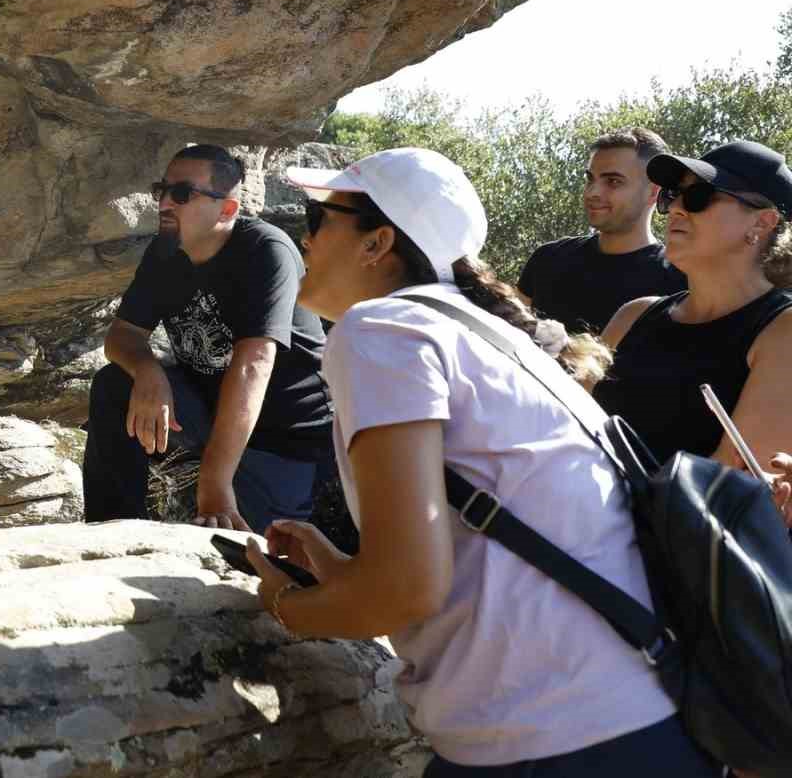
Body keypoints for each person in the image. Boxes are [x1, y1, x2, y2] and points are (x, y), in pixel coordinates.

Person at [243, 146, 718, 776]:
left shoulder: (384, 330)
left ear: (376, 242)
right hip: (634, 723)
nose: (304, 238)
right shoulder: (481, 333)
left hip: (549, 742)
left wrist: (283, 608)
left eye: (318, 216)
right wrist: (341, 572)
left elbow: (405, 589)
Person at [83, 144, 332, 534]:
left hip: (283, 440)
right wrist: (148, 371)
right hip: (208, 415)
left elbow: (253, 364)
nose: (165, 202)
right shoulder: (165, 252)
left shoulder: (266, 251)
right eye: (161, 190)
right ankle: (114, 530)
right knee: (116, 384)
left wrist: (215, 486)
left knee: (258, 557)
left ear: (227, 210)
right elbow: (123, 336)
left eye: (181, 194)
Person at [595, 141, 792, 506]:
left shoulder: (783, 332)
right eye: (672, 196)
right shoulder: (633, 316)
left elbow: (722, 492)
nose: (676, 210)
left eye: (699, 196)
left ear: (762, 222)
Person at [518, 128, 685, 334]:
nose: (593, 192)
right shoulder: (548, 258)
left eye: (613, 181)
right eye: (590, 179)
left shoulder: (679, 280)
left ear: (653, 192)